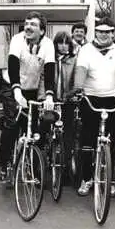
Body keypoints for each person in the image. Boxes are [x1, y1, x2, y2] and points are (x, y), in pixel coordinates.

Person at [71, 17, 115, 197]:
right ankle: (86, 179)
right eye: (100, 31)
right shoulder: (86, 50)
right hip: (90, 98)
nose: (104, 35)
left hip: (113, 99)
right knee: (87, 141)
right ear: (95, 32)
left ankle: (112, 181)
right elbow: (81, 71)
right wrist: (78, 89)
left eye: (108, 32)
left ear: (113, 33)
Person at [0, 11, 55, 182]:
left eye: (33, 24)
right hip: (11, 85)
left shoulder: (48, 45)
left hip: (32, 89)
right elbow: (13, 65)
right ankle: (4, 164)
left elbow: (50, 70)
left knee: (34, 129)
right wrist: (16, 90)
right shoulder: (17, 39)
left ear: (42, 31)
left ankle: (33, 169)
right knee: (12, 124)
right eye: (26, 23)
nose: (28, 27)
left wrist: (49, 95)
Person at [37, 31, 78, 185]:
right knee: (43, 131)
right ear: (55, 44)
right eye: (61, 42)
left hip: (67, 101)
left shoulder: (74, 60)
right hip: (50, 100)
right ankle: (37, 167)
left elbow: (76, 78)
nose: (64, 46)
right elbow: (43, 78)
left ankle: (66, 170)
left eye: (67, 43)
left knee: (68, 136)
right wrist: (43, 97)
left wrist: (73, 94)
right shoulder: (50, 60)